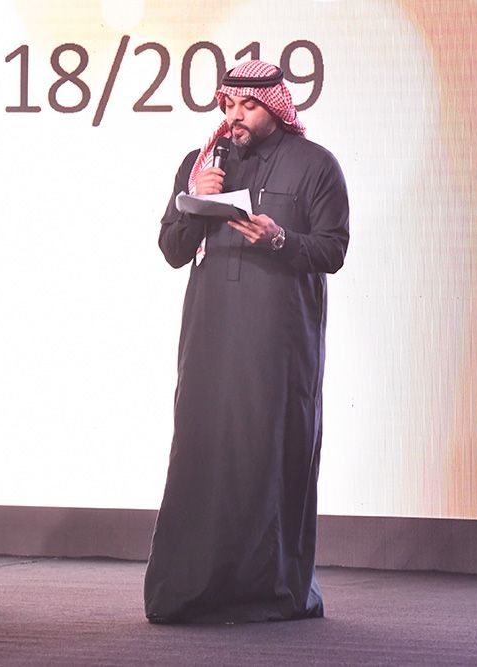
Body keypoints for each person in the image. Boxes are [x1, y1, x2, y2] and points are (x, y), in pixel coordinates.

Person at [144, 60, 350, 624]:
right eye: (229, 105)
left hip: (279, 344)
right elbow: (171, 249)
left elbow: (332, 250)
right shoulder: (202, 162)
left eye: (248, 107)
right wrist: (193, 194)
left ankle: (270, 592)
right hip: (211, 339)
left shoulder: (316, 165)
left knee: (268, 453)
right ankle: (192, 589)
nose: (235, 117)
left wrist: (281, 239)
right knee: (204, 453)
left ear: (277, 107)